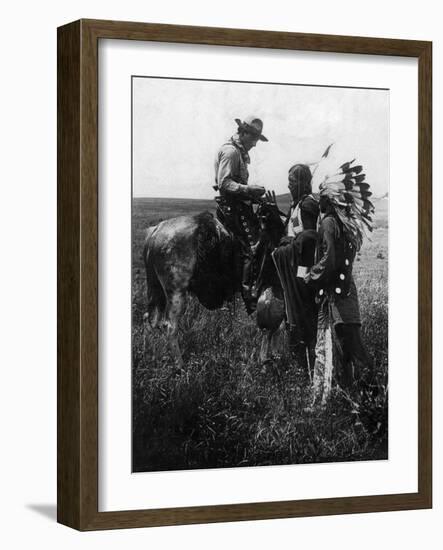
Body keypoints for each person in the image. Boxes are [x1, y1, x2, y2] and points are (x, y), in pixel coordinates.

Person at [304, 159, 373, 407]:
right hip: (346, 292)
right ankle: (357, 399)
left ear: (329, 199)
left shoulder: (329, 223)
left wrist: (311, 275)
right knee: (348, 346)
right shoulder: (344, 224)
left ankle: (372, 398)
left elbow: (329, 260)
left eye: (322, 195)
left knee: (350, 347)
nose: (318, 200)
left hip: (335, 296)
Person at [214, 116, 268, 313]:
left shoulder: (238, 152)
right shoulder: (231, 152)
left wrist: (253, 196)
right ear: (243, 133)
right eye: (252, 138)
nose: (254, 143)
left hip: (237, 205)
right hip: (232, 208)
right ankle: (249, 297)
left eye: (257, 139)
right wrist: (249, 190)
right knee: (252, 248)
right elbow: (224, 183)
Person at [272, 164, 319, 373]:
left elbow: (309, 240)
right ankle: (299, 363)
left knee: (303, 316)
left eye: (292, 182)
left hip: (303, 271)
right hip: (294, 268)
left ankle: (307, 365)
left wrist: (287, 245)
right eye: (288, 182)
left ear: (302, 182)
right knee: (294, 315)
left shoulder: (308, 205)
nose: (289, 185)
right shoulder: (297, 204)